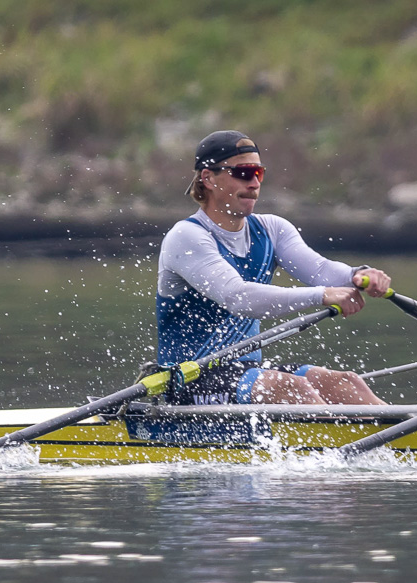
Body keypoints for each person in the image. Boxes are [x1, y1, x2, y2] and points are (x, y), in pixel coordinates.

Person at [157, 130, 390, 406]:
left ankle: (402, 434)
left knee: (347, 384)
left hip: (247, 373)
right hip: (188, 380)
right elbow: (238, 297)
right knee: (291, 387)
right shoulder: (187, 236)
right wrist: (323, 295)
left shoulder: (272, 229)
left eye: (259, 173)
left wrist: (358, 275)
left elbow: (320, 271)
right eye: (243, 173)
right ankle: (332, 433)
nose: (254, 183)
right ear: (208, 178)